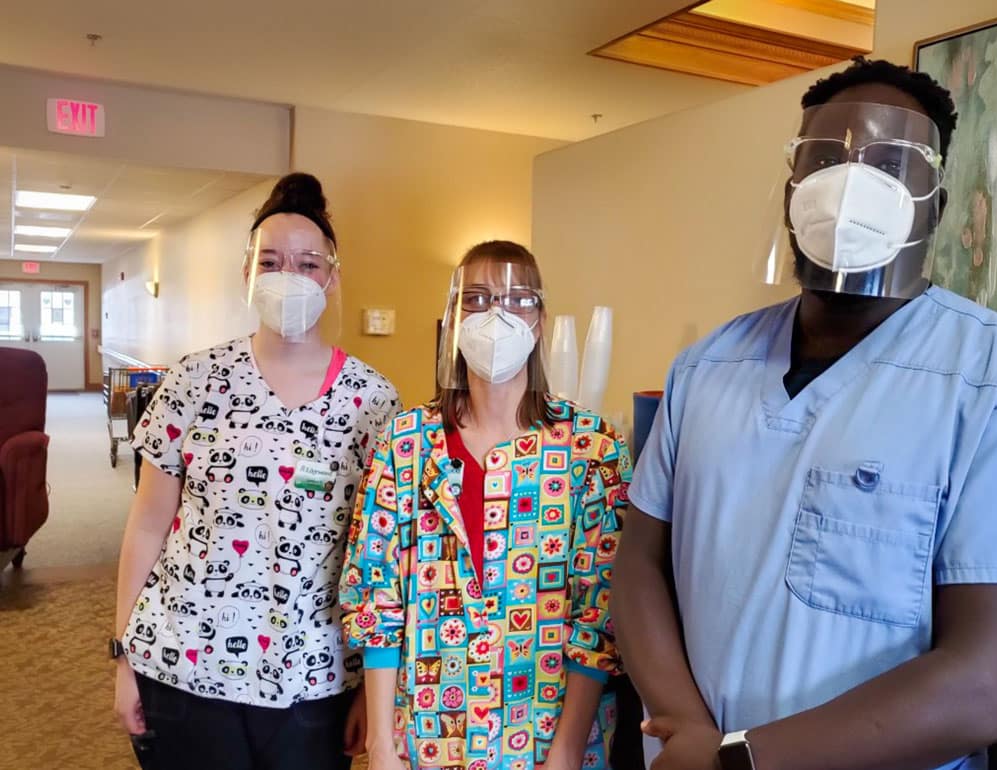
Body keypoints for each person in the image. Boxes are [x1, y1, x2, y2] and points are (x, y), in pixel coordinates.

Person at [611, 58, 997, 770]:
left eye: (890, 163)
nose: (848, 188)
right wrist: (685, 726)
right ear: (789, 190)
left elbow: (983, 685)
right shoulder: (706, 369)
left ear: (936, 202)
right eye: (822, 161)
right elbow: (640, 561)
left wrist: (739, 761)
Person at [112, 172, 401, 769]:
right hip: (183, 662)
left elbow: (382, 560)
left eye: (307, 263)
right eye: (270, 262)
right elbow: (146, 527)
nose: (288, 277)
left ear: (332, 277)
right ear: (247, 275)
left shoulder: (375, 403)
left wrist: (374, 696)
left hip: (314, 676)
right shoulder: (193, 381)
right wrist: (124, 657)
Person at [339, 240, 631, 770]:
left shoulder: (592, 449)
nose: (496, 314)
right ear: (451, 319)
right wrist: (383, 744)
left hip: (546, 735)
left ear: (540, 321)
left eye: (518, 299)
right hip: (429, 735)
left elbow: (600, 611)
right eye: (475, 298)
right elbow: (377, 598)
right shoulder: (406, 444)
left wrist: (566, 750)